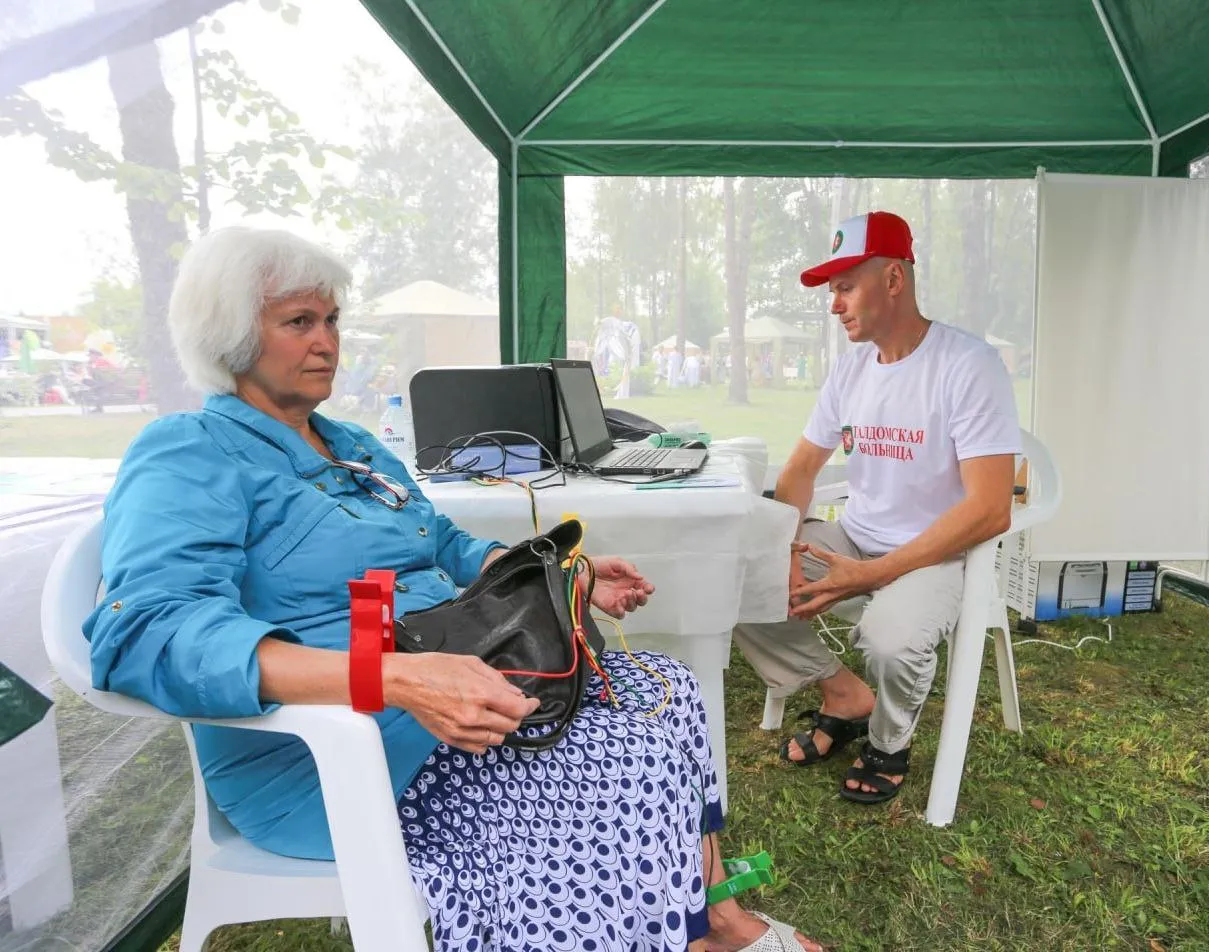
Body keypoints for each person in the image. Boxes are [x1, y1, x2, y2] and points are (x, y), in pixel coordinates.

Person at [84, 227, 822, 952]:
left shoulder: (352, 446)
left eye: (333, 319)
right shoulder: (189, 451)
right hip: (331, 753)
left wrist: (568, 576)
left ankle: (705, 917)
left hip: (451, 677)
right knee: (612, 767)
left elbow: (443, 545)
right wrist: (392, 677)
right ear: (231, 337)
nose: (327, 341)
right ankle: (664, 935)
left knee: (665, 688)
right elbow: (145, 634)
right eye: (299, 322)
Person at [733, 211, 1020, 804]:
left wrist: (876, 573)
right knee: (738, 574)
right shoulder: (852, 367)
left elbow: (992, 508)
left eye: (845, 288)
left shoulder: (968, 366)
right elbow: (799, 473)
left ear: (894, 279)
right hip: (854, 537)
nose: (834, 305)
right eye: (832, 291)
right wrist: (785, 551)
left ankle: (889, 742)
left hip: (934, 555)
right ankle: (842, 693)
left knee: (890, 641)